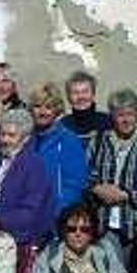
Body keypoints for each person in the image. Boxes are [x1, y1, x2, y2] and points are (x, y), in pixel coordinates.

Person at [0, 109, 55, 273]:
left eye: (12, 135)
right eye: (3, 134)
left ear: (26, 138)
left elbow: (31, 212)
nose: (5, 140)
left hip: (15, 244)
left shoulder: (34, 165)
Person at [88, 89, 137, 268]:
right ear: (112, 116)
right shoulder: (98, 141)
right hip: (102, 224)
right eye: (120, 115)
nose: (126, 120)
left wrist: (126, 195)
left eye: (130, 114)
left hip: (134, 227)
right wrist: (96, 188)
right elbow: (85, 175)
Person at [29, 82, 89, 218]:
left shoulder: (68, 140)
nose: (42, 112)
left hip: (56, 218)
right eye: (37, 107)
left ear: (56, 110)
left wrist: (54, 212)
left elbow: (75, 186)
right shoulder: (27, 140)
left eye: (48, 107)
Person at [60, 71, 111, 147]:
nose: (81, 97)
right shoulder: (63, 126)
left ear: (93, 94)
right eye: (75, 92)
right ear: (69, 97)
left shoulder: (107, 122)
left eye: (85, 91)